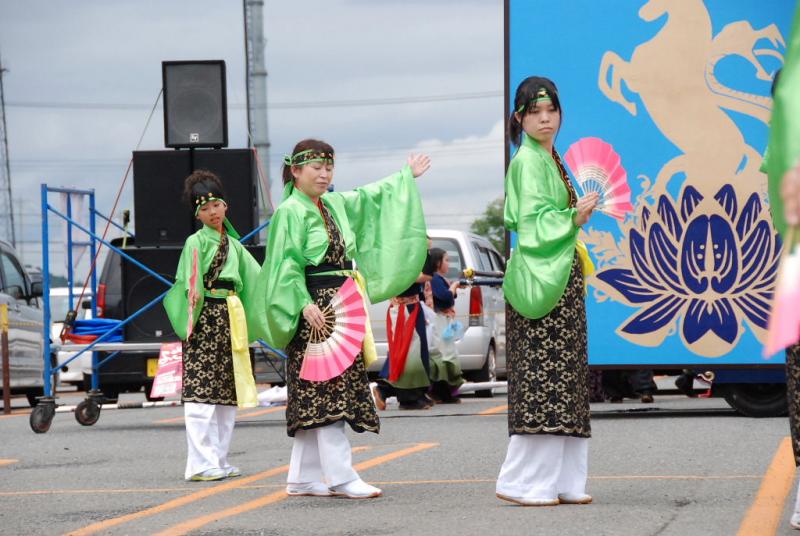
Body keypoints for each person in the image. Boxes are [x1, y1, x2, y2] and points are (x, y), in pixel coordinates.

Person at [250, 139, 430, 499]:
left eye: (328, 167)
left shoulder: (332, 203)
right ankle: (341, 476)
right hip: (316, 310)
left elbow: (369, 196)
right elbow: (285, 263)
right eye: (315, 167)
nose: (324, 174)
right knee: (327, 391)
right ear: (296, 171)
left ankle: (302, 478)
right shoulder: (290, 211)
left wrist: (404, 177)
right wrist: (302, 304)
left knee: (318, 394)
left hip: (339, 304)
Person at [495, 76, 599, 506]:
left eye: (551, 111)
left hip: (559, 278)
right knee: (543, 381)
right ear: (520, 118)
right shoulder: (527, 161)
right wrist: (572, 218)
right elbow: (532, 226)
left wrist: (572, 216)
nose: (545, 119)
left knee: (566, 380)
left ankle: (563, 480)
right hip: (541, 280)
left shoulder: (550, 158)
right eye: (535, 112)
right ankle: (523, 482)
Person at [163, 170, 261, 482]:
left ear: (225, 206)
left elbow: (257, 280)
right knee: (201, 393)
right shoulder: (196, 241)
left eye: (216, 205)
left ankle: (218, 458)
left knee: (226, 393)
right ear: (197, 213)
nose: (212, 212)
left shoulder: (233, 243)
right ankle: (199, 463)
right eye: (204, 209)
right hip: (204, 317)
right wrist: (193, 300)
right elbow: (188, 279)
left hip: (231, 315)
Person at [373, 238, 435, 411]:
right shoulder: (397, 261)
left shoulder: (402, 258)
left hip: (412, 307)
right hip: (403, 310)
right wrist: (426, 251)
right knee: (408, 354)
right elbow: (426, 276)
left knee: (416, 353)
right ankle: (394, 393)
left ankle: (417, 393)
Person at [427, 247, 466, 403]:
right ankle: (441, 392)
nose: (448, 264)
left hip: (443, 321)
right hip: (439, 321)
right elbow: (445, 298)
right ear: (438, 262)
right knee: (445, 355)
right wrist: (454, 286)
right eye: (447, 260)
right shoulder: (435, 279)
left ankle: (446, 391)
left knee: (447, 353)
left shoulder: (437, 278)